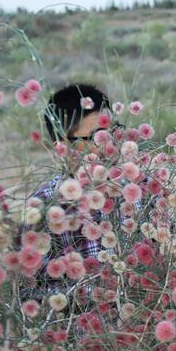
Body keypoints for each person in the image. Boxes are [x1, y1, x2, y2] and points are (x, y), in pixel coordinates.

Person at [21, 83, 118, 301]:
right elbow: (30, 289)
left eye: (113, 129)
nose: (110, 142)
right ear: (62, 144)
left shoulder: (142, 187)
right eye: (97, 135)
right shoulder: (44, 206)